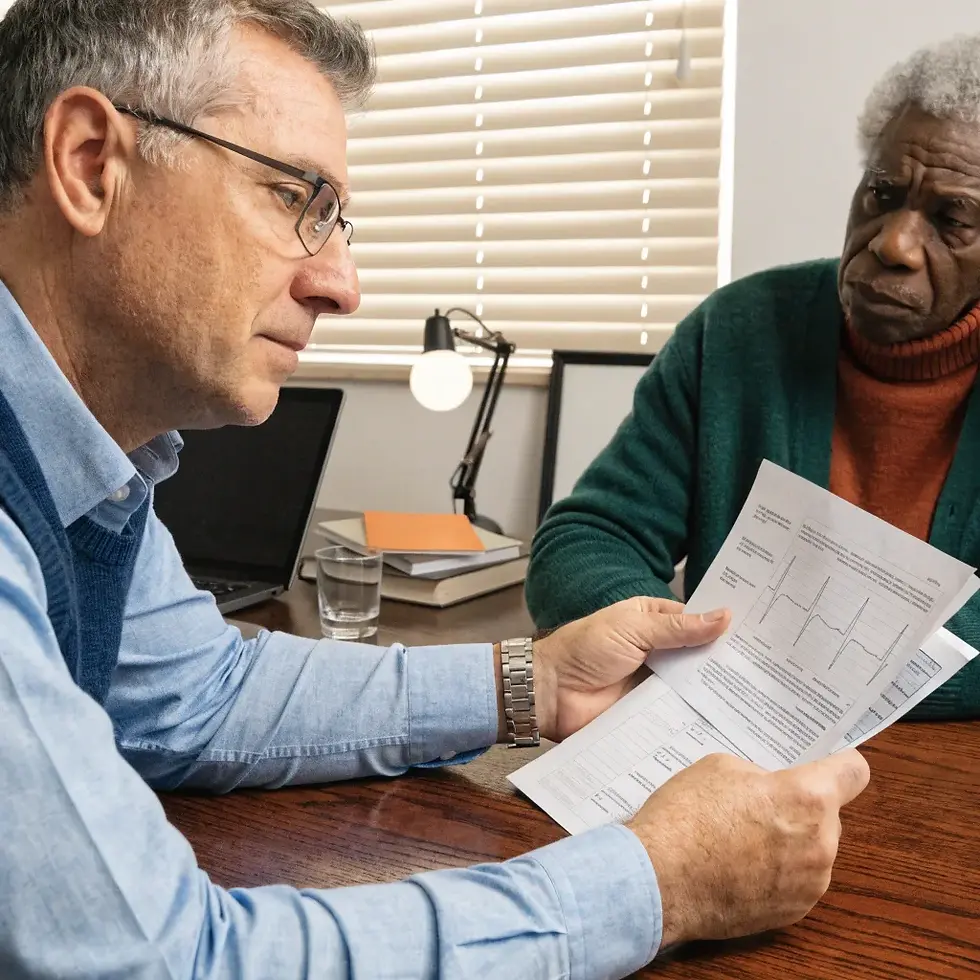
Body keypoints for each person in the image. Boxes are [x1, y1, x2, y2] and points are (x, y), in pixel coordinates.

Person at [0, 2, 870, 977]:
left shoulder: (97, 452)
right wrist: (657, 881)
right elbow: (160, 961)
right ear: (88, 162)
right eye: (299, 198)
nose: (342, 283)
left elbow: (193, 696)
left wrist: (531, 682)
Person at [528, 34, 980, 720]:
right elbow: (587, 538)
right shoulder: (738, 330)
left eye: (953, 221)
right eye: (881, 195)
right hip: (716, 742)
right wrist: (678, 646)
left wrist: (779, 667)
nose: (893, 242)